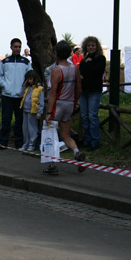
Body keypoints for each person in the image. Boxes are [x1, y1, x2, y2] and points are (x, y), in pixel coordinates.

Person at [44, 40, 85, 175]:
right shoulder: (74, 68)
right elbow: (79, 88)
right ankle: (76, 151)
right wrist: (74, 101)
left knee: (52, 135)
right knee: (66, 135)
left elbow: (53, 92)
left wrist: (49, 111)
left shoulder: (56, 70)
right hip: (69, 103)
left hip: (58, 104)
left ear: (56, 54)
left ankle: (53, 165)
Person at [0, 38, 32, 149]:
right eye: (15, 47)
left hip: (20, 96)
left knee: (19, 121)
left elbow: (30, 76)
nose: (17, 49)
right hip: (7, 95)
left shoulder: (26, 62)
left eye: (19, 47)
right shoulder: (5, 61)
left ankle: (19, 142)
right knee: (6, 119)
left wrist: (24, 87)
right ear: (11, 47)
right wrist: (5, 85)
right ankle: (3, 142)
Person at [79, 36, 106, 151]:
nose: (90, 47)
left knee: (92, 116)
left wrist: (89, 65)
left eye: (93, 45)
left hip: (94, 90)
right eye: (89, 45)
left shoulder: (100, 59)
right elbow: (81, 72)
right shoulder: (84, 59)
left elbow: (96, 72)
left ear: (97, 47)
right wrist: (87, 66)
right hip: (84, 91)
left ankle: (95, 141)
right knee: (84, 116)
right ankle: (87, 139)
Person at [19, 70, 44, 152]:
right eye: (27, 79)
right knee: (25, 128)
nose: (29, 81)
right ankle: (25, 143)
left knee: (32, 128)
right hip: (25, 110)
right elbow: (20, 94)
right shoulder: (26, 87)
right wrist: (23, 85)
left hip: (33, 111)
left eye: (30, 79)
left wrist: (39, 112)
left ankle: (32, 144)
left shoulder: (39, 88)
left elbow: (41, 101)